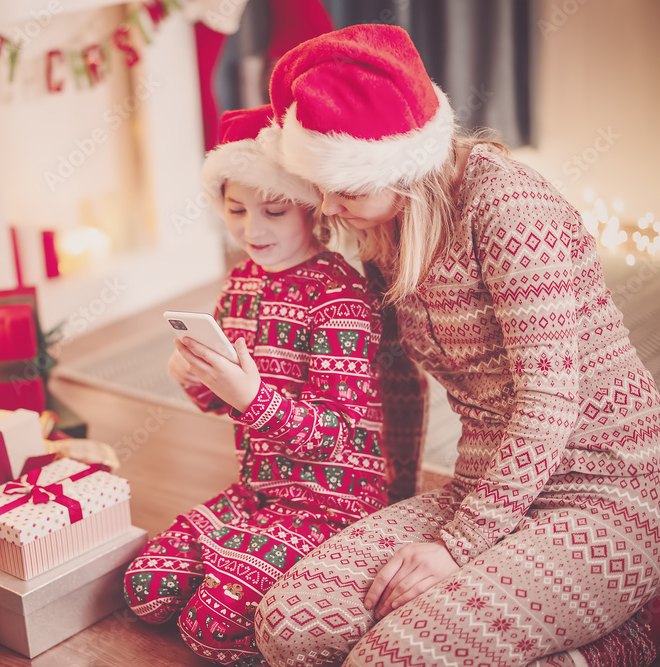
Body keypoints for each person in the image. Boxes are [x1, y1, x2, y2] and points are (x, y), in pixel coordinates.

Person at [252, 24, 660, 667]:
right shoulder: (387, 225)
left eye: (347, 188)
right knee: (290, 626)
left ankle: (630, 639)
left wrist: (456, 547)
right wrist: (399, 497)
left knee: (390, 658)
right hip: (482, 486)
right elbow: (396, 374)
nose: (327, 207)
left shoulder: (509, 207)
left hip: (605, 493)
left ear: (404, 169)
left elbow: (550, 398)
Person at [123, 104, 420, 666]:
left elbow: (333, 437)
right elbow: (221, 401)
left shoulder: (339, 298)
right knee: (146, 589)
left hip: (331, 505)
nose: (251, 229)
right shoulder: (240, 284)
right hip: (257, 490)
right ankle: (238, 560)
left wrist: (250, 397)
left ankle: (301, 591)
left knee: (208, 627)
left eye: (275, 211)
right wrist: (191, 376)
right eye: (236, 209)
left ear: (313, 210)